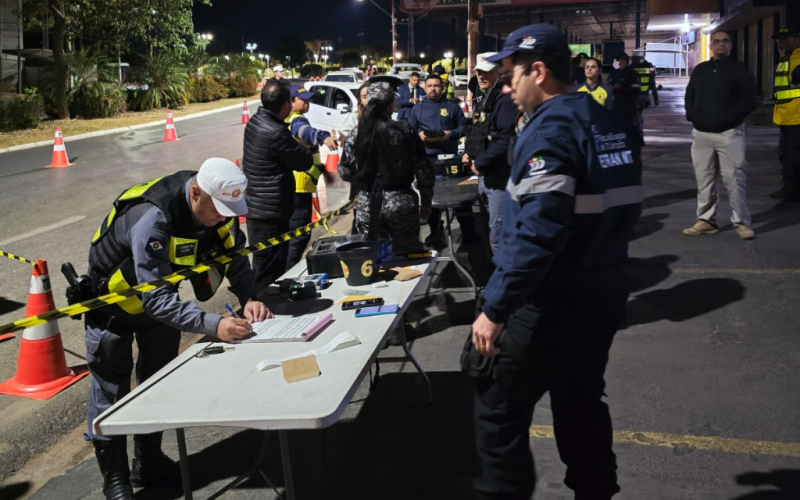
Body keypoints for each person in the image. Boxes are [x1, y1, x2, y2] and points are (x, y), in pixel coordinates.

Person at [465, 24, 642, 500]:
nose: (506, 88)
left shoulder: (551, 128)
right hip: (603, 289)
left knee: (495, 400)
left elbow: (539, 232)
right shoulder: (607, 119)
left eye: (511, 76)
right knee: (580, 399)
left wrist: (495, 308)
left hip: (552, 298)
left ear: (538, 72)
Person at [83, 158, 272, 500]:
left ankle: (148, 461)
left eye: (229, 212)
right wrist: (215, 325)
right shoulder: (153, 219)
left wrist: (250, 297)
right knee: (110, 390)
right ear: (196, 193)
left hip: (159, 309)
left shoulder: (217, 212)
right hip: (112, 309)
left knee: (157, 382)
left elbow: (234, 257)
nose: (223, 218)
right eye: (218, 210)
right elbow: (155, 299)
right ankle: (115, 477)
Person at [338, 81, 435, 253]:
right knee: (408, 255)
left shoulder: (356, 133)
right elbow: (423, 171)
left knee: (372, 257)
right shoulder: (404, 131)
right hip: (401, 202)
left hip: (368, 204)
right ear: (391, 104)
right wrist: (426, 202)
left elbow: (345, 172)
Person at [683, 30, 758, 240]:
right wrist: (693, 116)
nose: (721, 44)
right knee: (704, 179)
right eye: (716, 41)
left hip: (729, 133)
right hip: (701, 134)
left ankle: (741, 222)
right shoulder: (701, 70)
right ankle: (706, 221)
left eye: (725, 41)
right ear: (710, 46)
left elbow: (750, 99)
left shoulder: (739, 69)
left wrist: (729, 119)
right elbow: (690, 95)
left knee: (734, 179)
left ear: (730, 45)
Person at [243, 81, 313, 290]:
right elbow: (304, 161)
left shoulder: (255, 121)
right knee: (270, 272)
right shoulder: (276, 132)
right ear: (284, 105)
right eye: (290, 102)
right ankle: (266, 306)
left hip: (257, 207)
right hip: (270, 213)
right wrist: (300, 143)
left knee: (263, 267)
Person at [406, 74, 470, 247]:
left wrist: (450, 134)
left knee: (459, 196)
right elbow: (409, 130)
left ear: (442, 87)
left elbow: (464, 127)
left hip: (450, 159)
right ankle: (436, 232)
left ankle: (469, 234)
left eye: (436, 85)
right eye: (429, 86)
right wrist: (419, 135)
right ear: (424, 88)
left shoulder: (452, 106)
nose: (433, 89)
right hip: (428, 160)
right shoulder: (418, 108)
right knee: (431, 198)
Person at [463, 52, 517, 254]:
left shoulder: (504, 99)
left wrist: (480, 162)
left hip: (498, 177)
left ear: (498, 72)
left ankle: (504, 272)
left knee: (499, 235)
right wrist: (468, 153)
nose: (481, 76)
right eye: (478, 72)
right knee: (488, 229)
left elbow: (504, 140)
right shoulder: (486, 97)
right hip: (484, 176)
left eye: (486, 72)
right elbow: (478, 131)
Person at [285, 85, 339, 269]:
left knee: (294, 236)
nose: (307, 103)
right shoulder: (297, 120)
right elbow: (307, 133)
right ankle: (287, 274)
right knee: (299, 236)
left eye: (308, 99)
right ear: (291, 102)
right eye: (303, 100)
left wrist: (322, 170)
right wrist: (323, 137)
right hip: (300, 188)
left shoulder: (288, 118)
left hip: (296, 185)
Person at [770, 26, 800, 202]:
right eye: (779, 40)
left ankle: (792, 191)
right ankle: (790, 188)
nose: (780, 43)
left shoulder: (797, 59)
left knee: (793, 157)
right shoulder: (786, 59)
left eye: (785, 39)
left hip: (796, 118)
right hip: (786, 117)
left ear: (796, 40)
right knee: (786, 155)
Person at [607, 52, 642, 146]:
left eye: (618, 60)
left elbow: (636, 88)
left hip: (629, 106)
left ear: (624, 61)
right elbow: (609, 82)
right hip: (615, 106)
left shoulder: (632, 73)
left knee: (631, 128)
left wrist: (621, 88)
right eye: (616, 60)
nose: (617, 62)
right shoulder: (614, 73)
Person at [631, 53, 659, 137]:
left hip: (634, 96)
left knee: (636, 114)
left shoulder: (630, 68)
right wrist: (656, 98)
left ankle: (638, 131)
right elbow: (653, 85)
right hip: (644, 96)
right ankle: (639, 130)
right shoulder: (647, 68)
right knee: (638, 113)